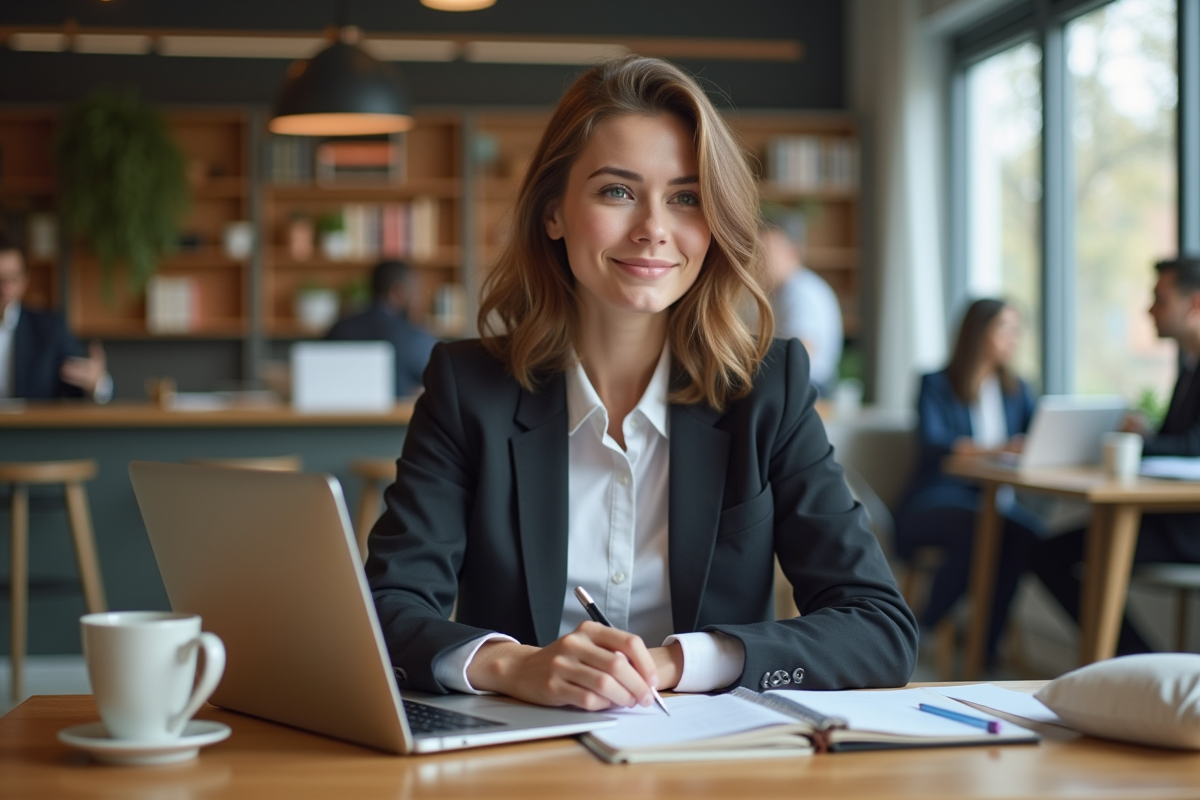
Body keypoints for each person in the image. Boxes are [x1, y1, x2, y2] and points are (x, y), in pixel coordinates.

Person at [366, 55, 916, 713]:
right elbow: (384, 610)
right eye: (617, 191)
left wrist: (677, 661)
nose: (654, 228)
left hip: (712, 768)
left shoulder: (768, 390)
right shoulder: (469, 387)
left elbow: (879, 628)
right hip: (514, 755)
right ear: (553, 212)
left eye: (686, 198)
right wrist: (511, 665)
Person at [1031, 257, 1200, 653]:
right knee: (1049, 552)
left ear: (1194, 303)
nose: (1149, 310)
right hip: (1170, 519)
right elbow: (1183, 441)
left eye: (1159, 299)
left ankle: (1140, 662)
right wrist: (1146, 434)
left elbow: (1193, 447)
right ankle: (1139, 661)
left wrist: (1141, 442)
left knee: (1055, 555)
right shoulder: (1190, 367)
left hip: (1189, 529)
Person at [894, 299, 1042, 661]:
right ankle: (924, 627)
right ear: (979, 333)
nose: (1014, 338)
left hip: (991, 502)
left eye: (1016, 330)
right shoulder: (936, 384)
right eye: (1004, 329)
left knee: (1026, 534)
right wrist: (999, 449)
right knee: (982, 526)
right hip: (932, 501)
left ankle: (984, 648)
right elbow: (934, 445)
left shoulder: (1017, 390)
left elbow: (1037, 440)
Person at [0, 231, 111, 401]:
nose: (6, 288)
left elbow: (78, 387)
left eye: (13, 278)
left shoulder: (49, 328)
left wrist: (99, 383)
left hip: (31, 427)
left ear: (25, 279)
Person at [325, 260, 438, 397]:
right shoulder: (415, 337)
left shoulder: (339, 328)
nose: (419, 300)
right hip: (398, 418)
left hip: (338, 417)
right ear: (397, 292)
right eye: (415, 293)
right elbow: (440, 383)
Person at [762, 214, 843, 395]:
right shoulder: (780, 292)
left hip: (810, 388)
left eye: (766, 252)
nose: (758, 261)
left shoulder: (801, 292)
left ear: (794, 253)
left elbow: (799, 355)